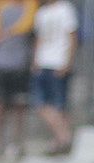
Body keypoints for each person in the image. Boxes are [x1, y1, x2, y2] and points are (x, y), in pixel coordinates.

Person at [0, 0, 37, 158]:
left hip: (20, 63)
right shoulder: (0, 5)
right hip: (1, 62)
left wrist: (5, 34)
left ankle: (15, 142)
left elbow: (27, 27)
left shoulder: (30, 5)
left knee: (18, 105)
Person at [30, 0, 76, 154]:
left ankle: (61, 140)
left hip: (58, 62)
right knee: (40, 104)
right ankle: (64, 137)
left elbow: (72, 37)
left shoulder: (65, 9)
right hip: (43, 63)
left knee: (59, 105)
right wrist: (35, 60)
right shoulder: (41, 12)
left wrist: (68, 62)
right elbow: (39, 38)